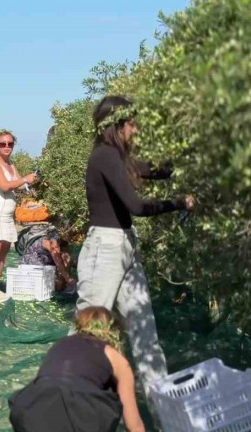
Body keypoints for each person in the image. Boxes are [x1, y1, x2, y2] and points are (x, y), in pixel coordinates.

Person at [75, 95, 196, 406]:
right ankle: (72, 403)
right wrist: (179, 203)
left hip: (124, 246)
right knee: (91, 331)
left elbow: (154, 169)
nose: (136, 129)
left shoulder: (116, 158)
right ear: (117, 124)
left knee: (145, 332)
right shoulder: (104, 156)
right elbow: (136, 206)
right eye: (132, 123)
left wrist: (192, 160)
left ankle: (165, 408)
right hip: (105, 248)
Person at [9, 307, 147, 432]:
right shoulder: (115, 357)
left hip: (30, 414)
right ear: (115, 332)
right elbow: (134, 428)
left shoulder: (59, 345)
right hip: (85, 419)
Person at [0, 130, 37, 302]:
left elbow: (17, 185)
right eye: (2, 144)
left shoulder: (11, 165)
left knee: (3, 250)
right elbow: (4, 186)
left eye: (10, 144)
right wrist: (25, 179)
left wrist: (31, 182)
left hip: (6, 215)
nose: (6, 147)